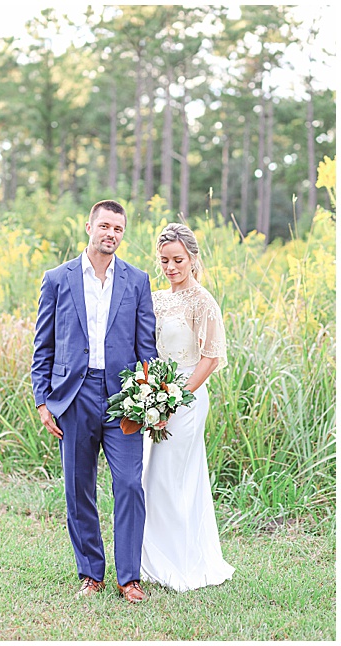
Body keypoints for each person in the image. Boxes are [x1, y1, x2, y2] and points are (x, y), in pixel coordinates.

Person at [31, 199, 157, 603]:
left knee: (129, 485)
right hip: (74, 396)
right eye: (104, 226)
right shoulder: (57, 278)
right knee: (77, 487)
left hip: (123, 399)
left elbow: (146, 347)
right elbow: (43, 347)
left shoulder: (137, 281)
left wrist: (148, 398)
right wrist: (42, 401)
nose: (111, 234)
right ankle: (91, 573)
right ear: (89, 226)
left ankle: (129, 578)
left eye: (118, 229)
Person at [141, 223, 234, 591]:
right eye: (164, 260)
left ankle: (181, 563)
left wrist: (174, 399)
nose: (171, 267)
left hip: (188, 397)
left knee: (173, 476)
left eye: (178, 259)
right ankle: (155, 560)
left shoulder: (202, 301)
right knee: (153, 475)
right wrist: (151, 393)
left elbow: (210, 359)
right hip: (157, 392)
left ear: (193, 258)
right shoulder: (157, 298)